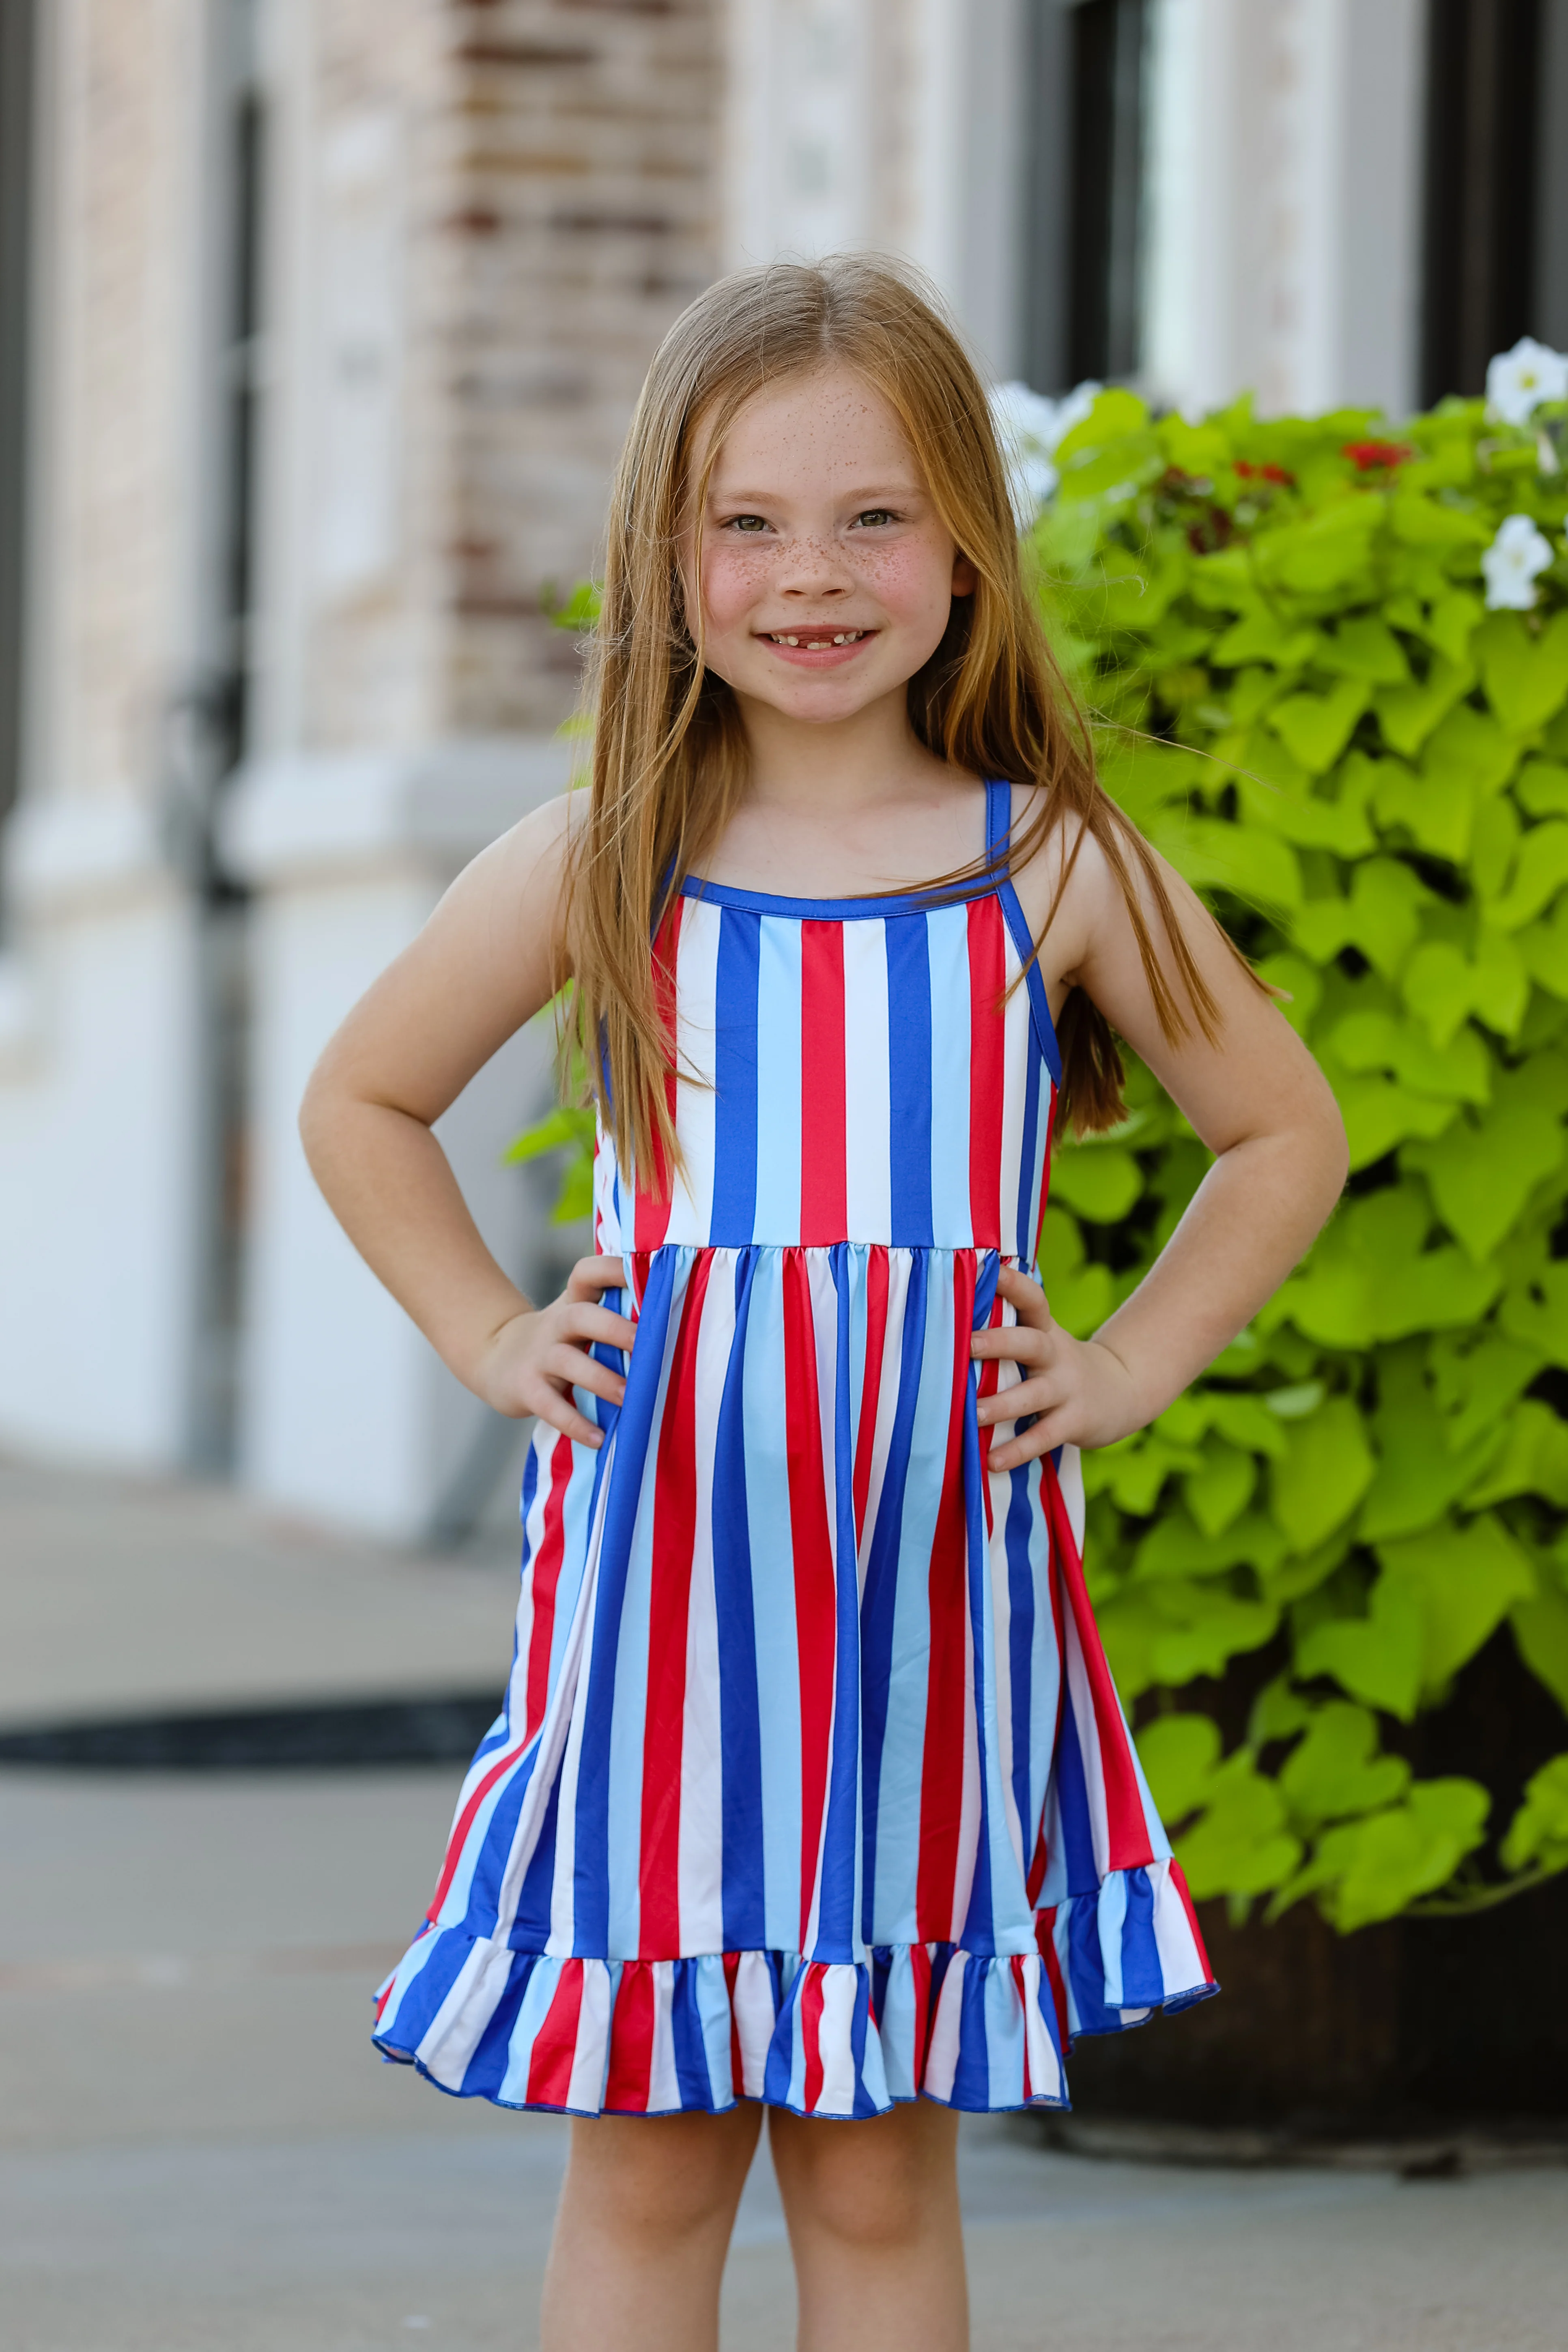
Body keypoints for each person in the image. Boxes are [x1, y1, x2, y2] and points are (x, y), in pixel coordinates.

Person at [300, 256, 1348, 2352]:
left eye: (871, 518)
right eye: (748, 524)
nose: (812, 574)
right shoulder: (607, 846)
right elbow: (363, 1099)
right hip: (669, 1602)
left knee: (875, 2161)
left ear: (962, 544)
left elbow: (1282, 1135)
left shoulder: (1043, 864)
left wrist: (1129, 1360)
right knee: (654, 2150)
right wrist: (493, 1340)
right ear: (664, 558)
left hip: (928, 1610)